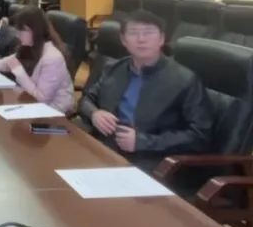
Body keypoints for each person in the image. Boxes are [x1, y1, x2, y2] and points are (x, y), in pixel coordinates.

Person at [79, 10, 212, 166]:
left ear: (161, 39)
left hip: (152, 159)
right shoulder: (114, 69)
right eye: (133, 33)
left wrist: (142, 142)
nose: (141, 39)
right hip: (106, 148)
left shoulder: (185, 80)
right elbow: (86, 99)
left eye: (148, 33)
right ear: (123, 40)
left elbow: (200, 135)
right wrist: (94, 113)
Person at [0, 7, 75, 114]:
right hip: (32, 105)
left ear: (35, 30)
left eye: (22, 31)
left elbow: (42, 99)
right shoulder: (31, 47)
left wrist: (20, 72)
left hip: (54, 112)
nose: (18, 35)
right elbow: (3, 63)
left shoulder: (52, 58)